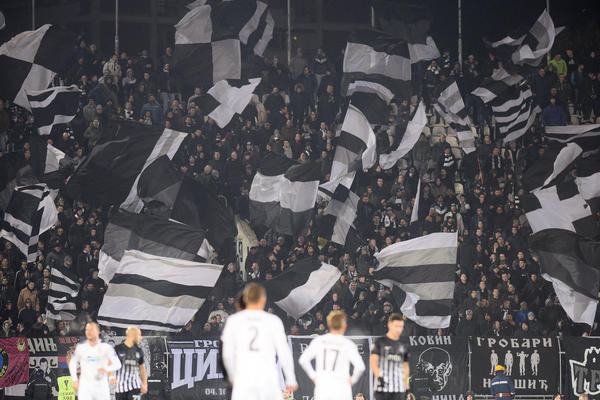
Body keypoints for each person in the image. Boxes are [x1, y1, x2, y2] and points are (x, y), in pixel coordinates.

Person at [221, 283, 298, 400]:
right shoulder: (273, 320)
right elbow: (284, 352)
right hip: (267, 377)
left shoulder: (233, 320)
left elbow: (226, 354)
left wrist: (231, 377)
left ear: (245, 299)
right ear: (263, 300)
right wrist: (291, 378)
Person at [298, 310, 365, 400]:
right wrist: (352, 380)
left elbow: (303, 360)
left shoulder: (319, 341)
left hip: (323, 386)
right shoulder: (348, 344)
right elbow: (360, 367)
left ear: (329, 324)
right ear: (344, 326)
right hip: (341, 387)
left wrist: (314, 377)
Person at [68, 322, 122, 400]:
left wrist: (106, 369)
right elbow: (73, 362)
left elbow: (117, 364)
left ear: (98, 331)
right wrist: (74, 379)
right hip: (85, 387)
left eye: (92, 330)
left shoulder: (106, 348)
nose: (89, 332)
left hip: (101, 386)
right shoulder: (81, 348)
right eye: (87, 330)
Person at [370, 313, 410, 400]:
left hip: (398, 389)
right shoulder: (380, 342)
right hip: (382, 389)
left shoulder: (403, 345)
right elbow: (373, 362)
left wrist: (407, 388)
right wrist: (379, 378)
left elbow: (405, 368)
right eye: (396, 326)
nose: (398, 329)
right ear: (390, 325)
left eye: (401, 326)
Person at [114, 326, 148, 399]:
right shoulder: (117, 349)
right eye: (138, 335)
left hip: (134, 386)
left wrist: (145, 384)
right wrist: (110, 376)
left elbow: (142, 369)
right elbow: (110, 364)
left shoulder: (138, 351)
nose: (140, 338)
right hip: (120, 387)